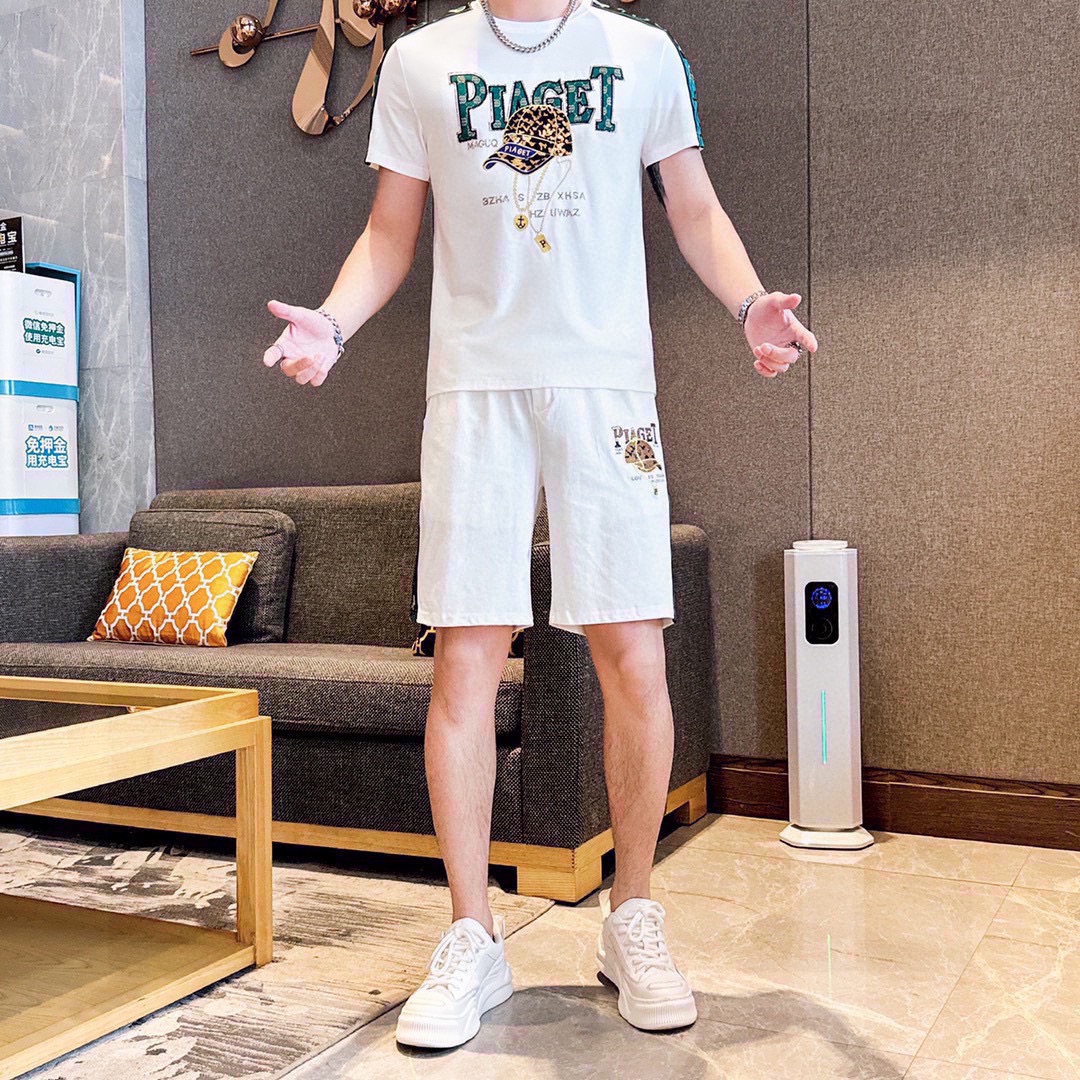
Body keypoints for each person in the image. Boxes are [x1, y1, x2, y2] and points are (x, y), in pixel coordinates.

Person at [262, 0, 817, 1051]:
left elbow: (694, 207)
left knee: (633, 653)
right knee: (465, 660)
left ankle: (633, 916)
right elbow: (389, 233)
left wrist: (751, 303)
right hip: (475, 391)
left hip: (608, 390)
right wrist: (332, 325)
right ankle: (473, 934)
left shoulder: (643, 54)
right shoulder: (421, 62)